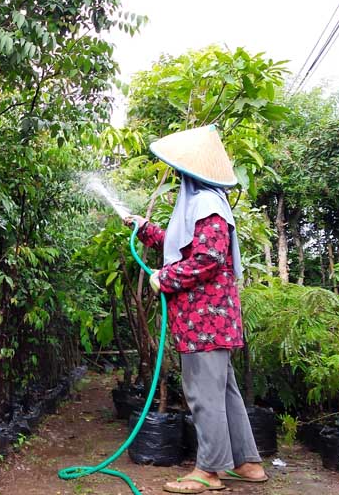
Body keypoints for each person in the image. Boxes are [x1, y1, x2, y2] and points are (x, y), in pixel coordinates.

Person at [123, 125, 268, 495]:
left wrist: (165, 278)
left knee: (204, 395)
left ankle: (208, 470)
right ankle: (247, 464)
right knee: (224, 393)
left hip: (205, 321)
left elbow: (208, 257)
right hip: (209, 322)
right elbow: (184, 244)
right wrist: (143, 227)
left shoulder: (206, 204)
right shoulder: (205, 204)